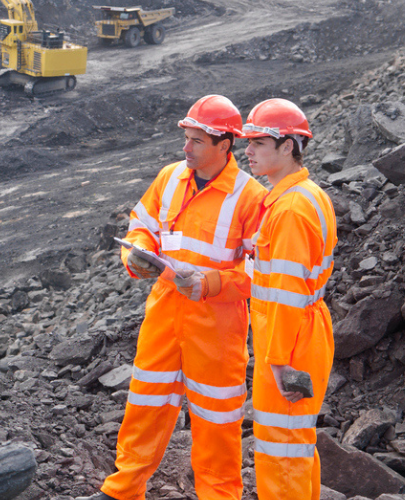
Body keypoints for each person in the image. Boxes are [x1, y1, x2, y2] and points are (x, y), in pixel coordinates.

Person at [85, 95, 267, 500]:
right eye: (186, 138)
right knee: (145, 404)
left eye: (197, 141)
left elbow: (260, 273)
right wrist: (134, 256)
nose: (186, 148)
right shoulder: (170, 178)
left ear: (224, 145)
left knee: (217, 421)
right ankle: (123, 491)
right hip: (164, 312)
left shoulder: (250, 197)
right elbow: (141, 226)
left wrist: (210, 284)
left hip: (217, 326)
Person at [236, 98, 336, 500]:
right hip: (296, 333)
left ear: (288, 146)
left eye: (258, 142)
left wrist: (278, 362)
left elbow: (286, 294)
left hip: (290, 341)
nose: (248, 151)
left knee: (282, 450)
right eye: (248, 142)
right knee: (294, 444)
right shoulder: (300, 196)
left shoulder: (291, 209)